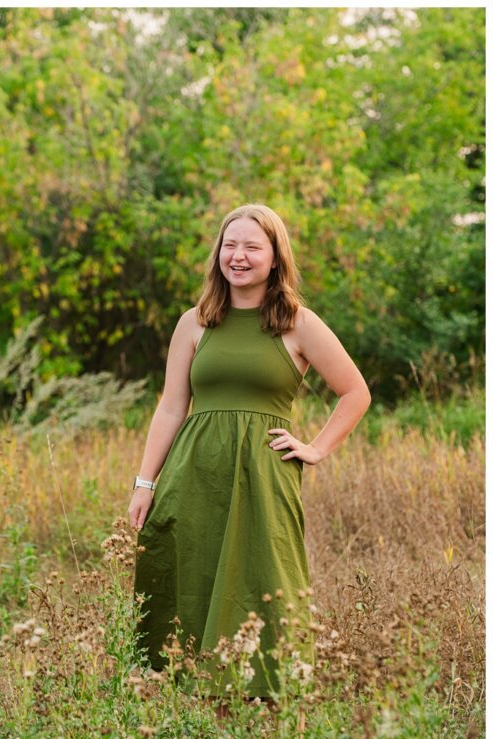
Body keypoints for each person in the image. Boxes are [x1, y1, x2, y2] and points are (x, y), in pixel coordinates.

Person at [129, 204, 370, 698]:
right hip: (192, 474)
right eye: (229, 245)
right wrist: (144, 482)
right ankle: (195, 697)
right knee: (187, 574)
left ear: (275, 258)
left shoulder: (298, 323)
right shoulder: (194, 323)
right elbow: (171, 408)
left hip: (265, 475)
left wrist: (317, 449)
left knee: (266, 578)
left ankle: (275, 701)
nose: (238, 256)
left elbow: (356, 392)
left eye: (252, 247)